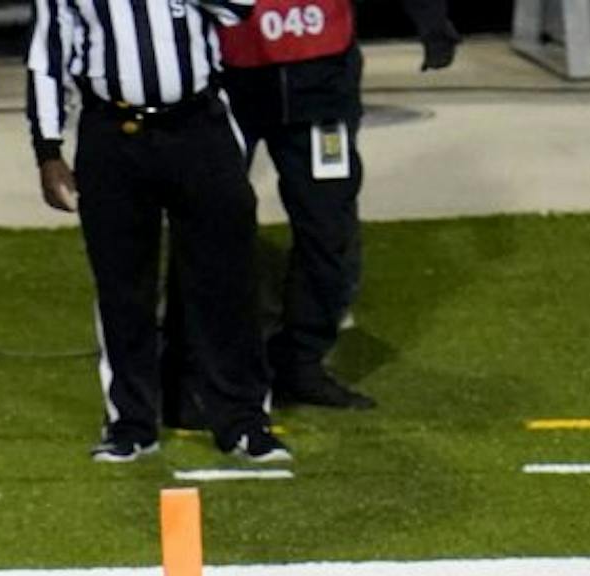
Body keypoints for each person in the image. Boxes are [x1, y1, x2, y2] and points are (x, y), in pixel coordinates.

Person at [27, 0, 289, 464]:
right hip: (111, 130)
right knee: (122, 283)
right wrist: (48, 149)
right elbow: (48, 52)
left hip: (198, 124)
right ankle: (131, 423)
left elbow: (241, 8)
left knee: (225, 276)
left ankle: (243, 420)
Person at [211, 0, 461, 410]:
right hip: (231, 79)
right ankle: (206, 364)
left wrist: (430, 17)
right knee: (211, 222)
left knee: (328, 227)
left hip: (322, 83)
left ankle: (301, 362)